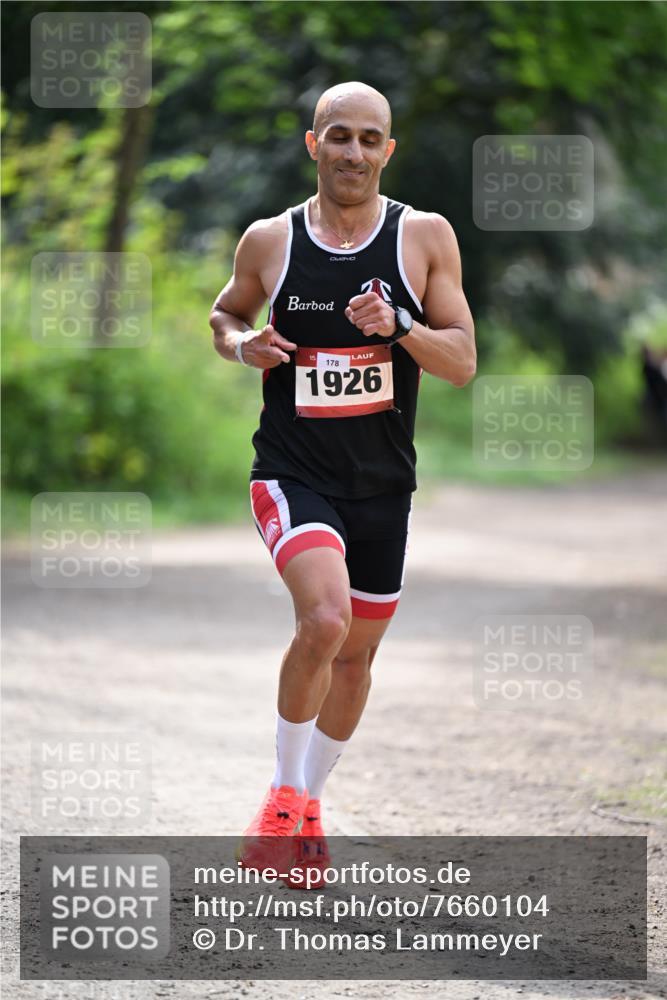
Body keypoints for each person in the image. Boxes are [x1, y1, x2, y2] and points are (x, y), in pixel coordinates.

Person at [209, 81, 476, 885]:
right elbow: (224, 315)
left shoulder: (423, 237)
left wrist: (398, 327)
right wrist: (241, 346)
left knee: (356, 661)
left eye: (369, 138)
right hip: (291, 471)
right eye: (338, 137)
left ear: (388, 150)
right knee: (323, 620)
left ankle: (307, 809)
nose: (353, 152)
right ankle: (282, 807)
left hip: (383, 484)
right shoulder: (270, 240)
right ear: (312, 144)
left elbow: (460, 362)